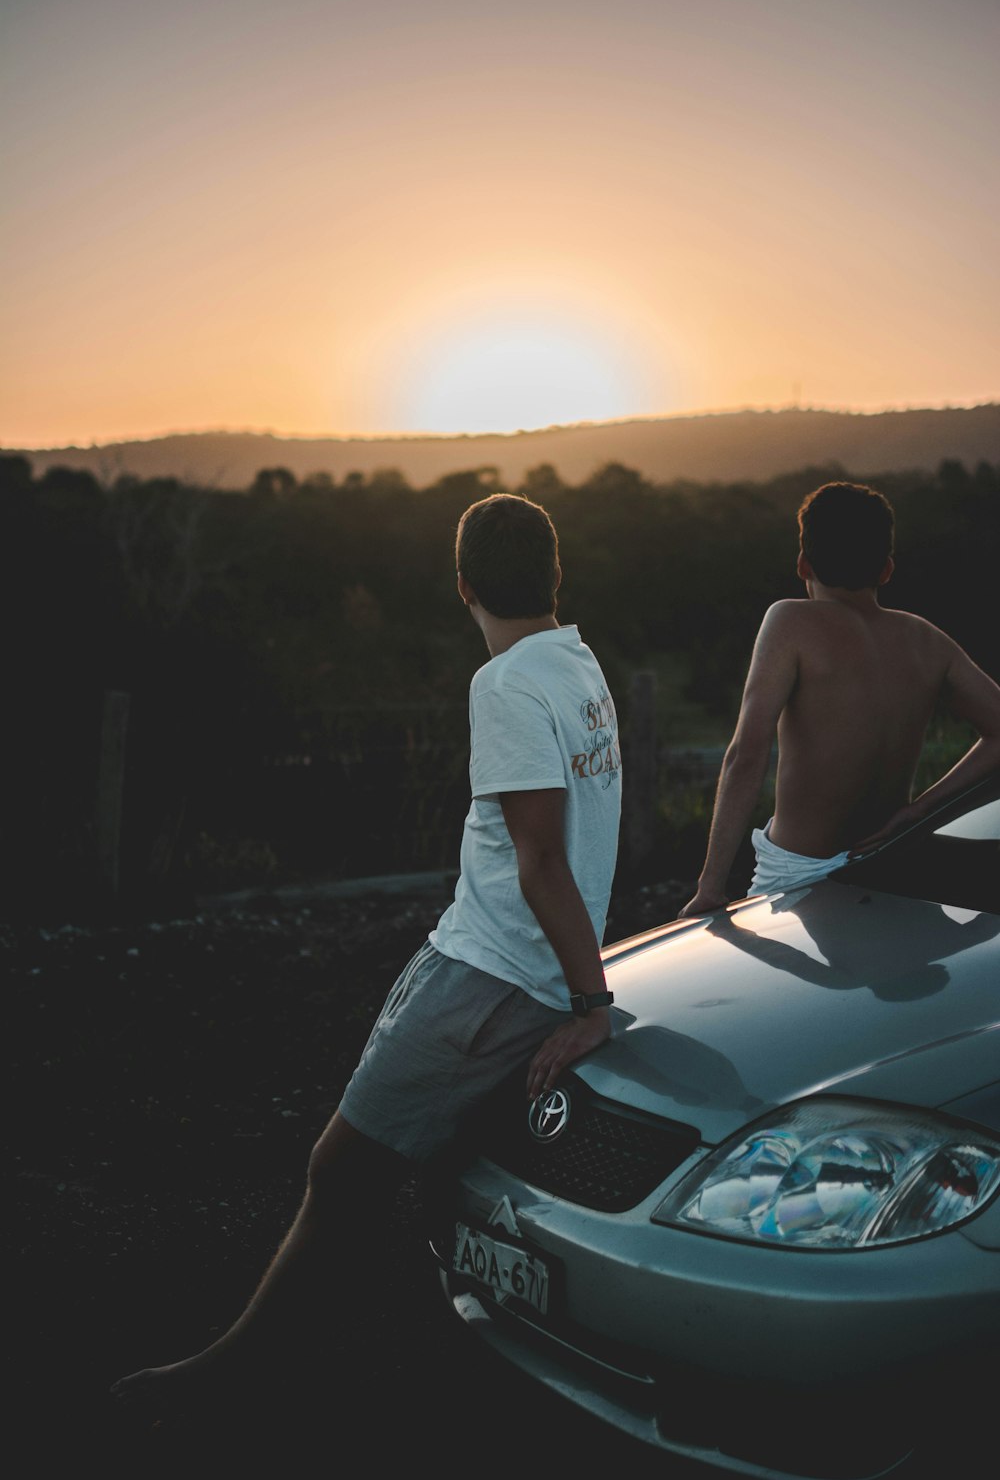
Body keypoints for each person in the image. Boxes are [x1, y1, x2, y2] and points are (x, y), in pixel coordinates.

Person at [112, 491, 622, 1412]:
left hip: (488, 976)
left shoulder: (504, 683)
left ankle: (228, 1380)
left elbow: (544, 859)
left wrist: (594, 1005)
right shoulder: (580, 666)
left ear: (461, 584)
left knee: (339, 1172)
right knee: (437, 1172)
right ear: (554, 577)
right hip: (513, 968)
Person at [679, 480, 1000, 917]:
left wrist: (710, 886)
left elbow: (746, 753)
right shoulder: (926, 639)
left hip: (799, 874)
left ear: (802, 563)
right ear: (887, 569)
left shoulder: (790, 620)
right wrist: (919, 811)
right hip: (895, 863)